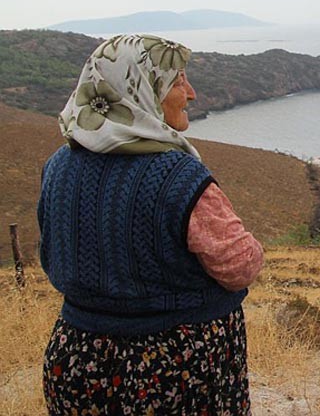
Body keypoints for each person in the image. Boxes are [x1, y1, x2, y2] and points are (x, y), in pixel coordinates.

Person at [38, 34, 264, 415]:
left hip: (77, 360)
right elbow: (240, 265)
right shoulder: (177, 176)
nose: (190, 93)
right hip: (176, 370)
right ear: (142, 89)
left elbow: (51, 257)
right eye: (177, 82)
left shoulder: (58, 166)